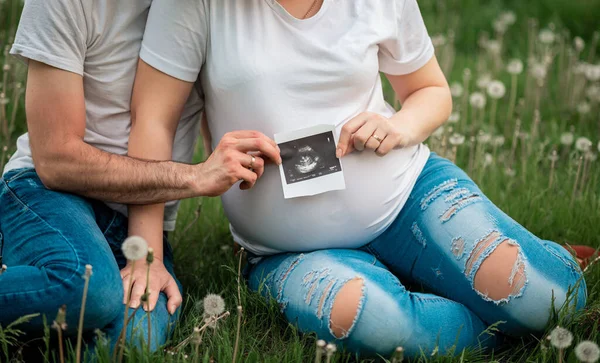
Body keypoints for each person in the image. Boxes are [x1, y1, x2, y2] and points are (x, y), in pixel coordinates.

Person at [130, 0, 588, 358]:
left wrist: (399, 126)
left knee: (549, 300)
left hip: (407, 195)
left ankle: (542, 273)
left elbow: (430, 90)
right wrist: (145, 254)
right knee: (374, 323)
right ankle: (497, 319)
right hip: (288, 248)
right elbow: (153, 120)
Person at [0, 0, 280, 351]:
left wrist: (249, 231)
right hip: (46, 193)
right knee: (86, 288)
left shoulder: (207, 9)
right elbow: (56, 161)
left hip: (140, 221)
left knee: (131, 342)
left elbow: (225, 117)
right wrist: (192, 177)